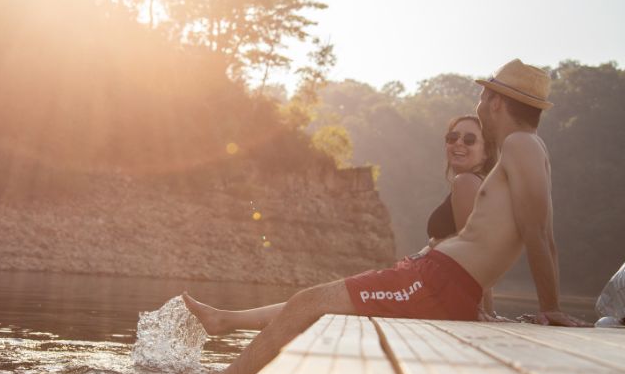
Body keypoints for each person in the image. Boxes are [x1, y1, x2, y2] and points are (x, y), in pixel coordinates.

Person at [143, 58, 591, 374]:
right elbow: (542, 232)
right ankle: (223, 367)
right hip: (441, 279)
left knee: (306, 304)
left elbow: (537, 232)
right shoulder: (531, 149)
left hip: (438, 280)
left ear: (495, 102)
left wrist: (550, 306)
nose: (476, 106)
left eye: (481, 98)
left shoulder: (518, 144)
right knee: (311, 304)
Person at [174, 114, 499, 337]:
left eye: (470, 139)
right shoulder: (470, 182)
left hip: (421, 287)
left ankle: (225, 323)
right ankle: (227, 321)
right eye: (452, 136)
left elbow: (479, 251)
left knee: (313, 302)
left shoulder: (468, 183)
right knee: (315, 303)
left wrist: (480, 308)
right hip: (421, 283)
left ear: (486, 151)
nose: (459, 143)